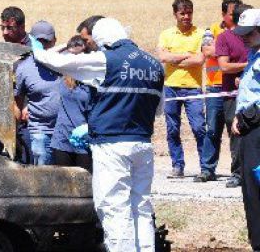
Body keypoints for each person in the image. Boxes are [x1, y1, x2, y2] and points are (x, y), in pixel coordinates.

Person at [31, 17, 164, 252]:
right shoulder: (155, 65)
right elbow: (159, 110)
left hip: (112, 146)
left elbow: (54, 62)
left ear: (104, 41)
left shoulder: (107, 60)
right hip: (143, 144)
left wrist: (39, 48)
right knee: (140, 207)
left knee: (114, 208)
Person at [156, 0, 206, 178]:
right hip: (171, 87)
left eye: (189, 13)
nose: (186, 16)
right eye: (182, 13)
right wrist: (187, 56)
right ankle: (177, 166)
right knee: (172, 129)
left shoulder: (201, 34)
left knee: (199, 127)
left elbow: (200, 59)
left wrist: (175, 58)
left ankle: (205, 166)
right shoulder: (166, 34)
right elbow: (163, 57)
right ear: (175, 14)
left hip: (193, 88)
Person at [198, 0, 244, 183]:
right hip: (214, 87)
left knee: (235, 131)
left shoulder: (243, 32)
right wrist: (227, 48)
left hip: (233, 87)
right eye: (232, 13)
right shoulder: (212, 30)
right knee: (212, 130)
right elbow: (206, 51)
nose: (235, 16)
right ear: (223, 14)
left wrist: (222, 49)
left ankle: (237, 172)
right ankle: (208, 169)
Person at [215, 3, 253, 188]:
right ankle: (237, 173)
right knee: (236, 133)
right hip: (232, 96)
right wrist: (247, 68)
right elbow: (224, 66)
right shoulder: (224, 38)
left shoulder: (255, 40)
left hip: (253, 96)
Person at [14, 20, 62, 165]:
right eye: (39, 41)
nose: (43, 45)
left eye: (46, 41)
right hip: (40, 131)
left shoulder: (67, 63)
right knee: (44, 179)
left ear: (54, 41)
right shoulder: (23, 68)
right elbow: (17, 101)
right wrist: (14, 135)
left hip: (65, 132)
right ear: (32, 40)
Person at [232, 8, 260, 251]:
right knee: (251, 187)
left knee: (256, 187)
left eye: (249, 32)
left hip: (256, 129)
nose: (244, 37)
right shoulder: (254, 55)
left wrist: (245, 118)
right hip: (251, 128)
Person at [50, 36, 92, 171]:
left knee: (85, 187)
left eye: (78, 56)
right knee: (63, 187)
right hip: (62, 139)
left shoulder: (93, 79)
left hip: (85, 141)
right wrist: (67, 46)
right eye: (71, 56)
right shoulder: (63, 74)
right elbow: (48, 55)